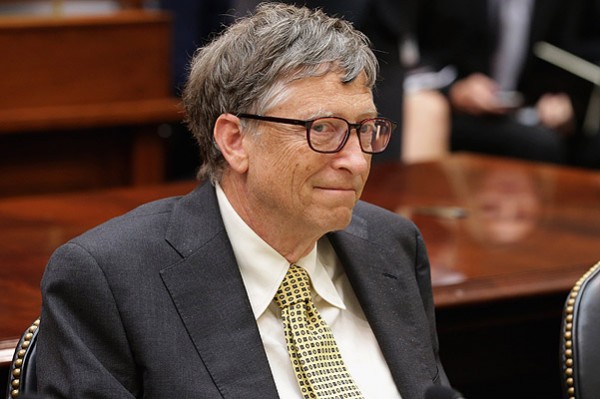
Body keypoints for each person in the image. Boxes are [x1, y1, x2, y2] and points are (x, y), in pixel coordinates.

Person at [36, 3, 448, 398]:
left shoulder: (391, 246)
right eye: (323, 129)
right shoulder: (110, 279)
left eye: (366, 129)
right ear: (235, 141)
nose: (357, 161)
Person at [412, 0, 591, 165]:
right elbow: (419, 54)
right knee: (539, 144)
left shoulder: (561, 5)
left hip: (528, 112)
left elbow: (574, 58)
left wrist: (564, 101)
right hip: (457, 110)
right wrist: (455, 88)